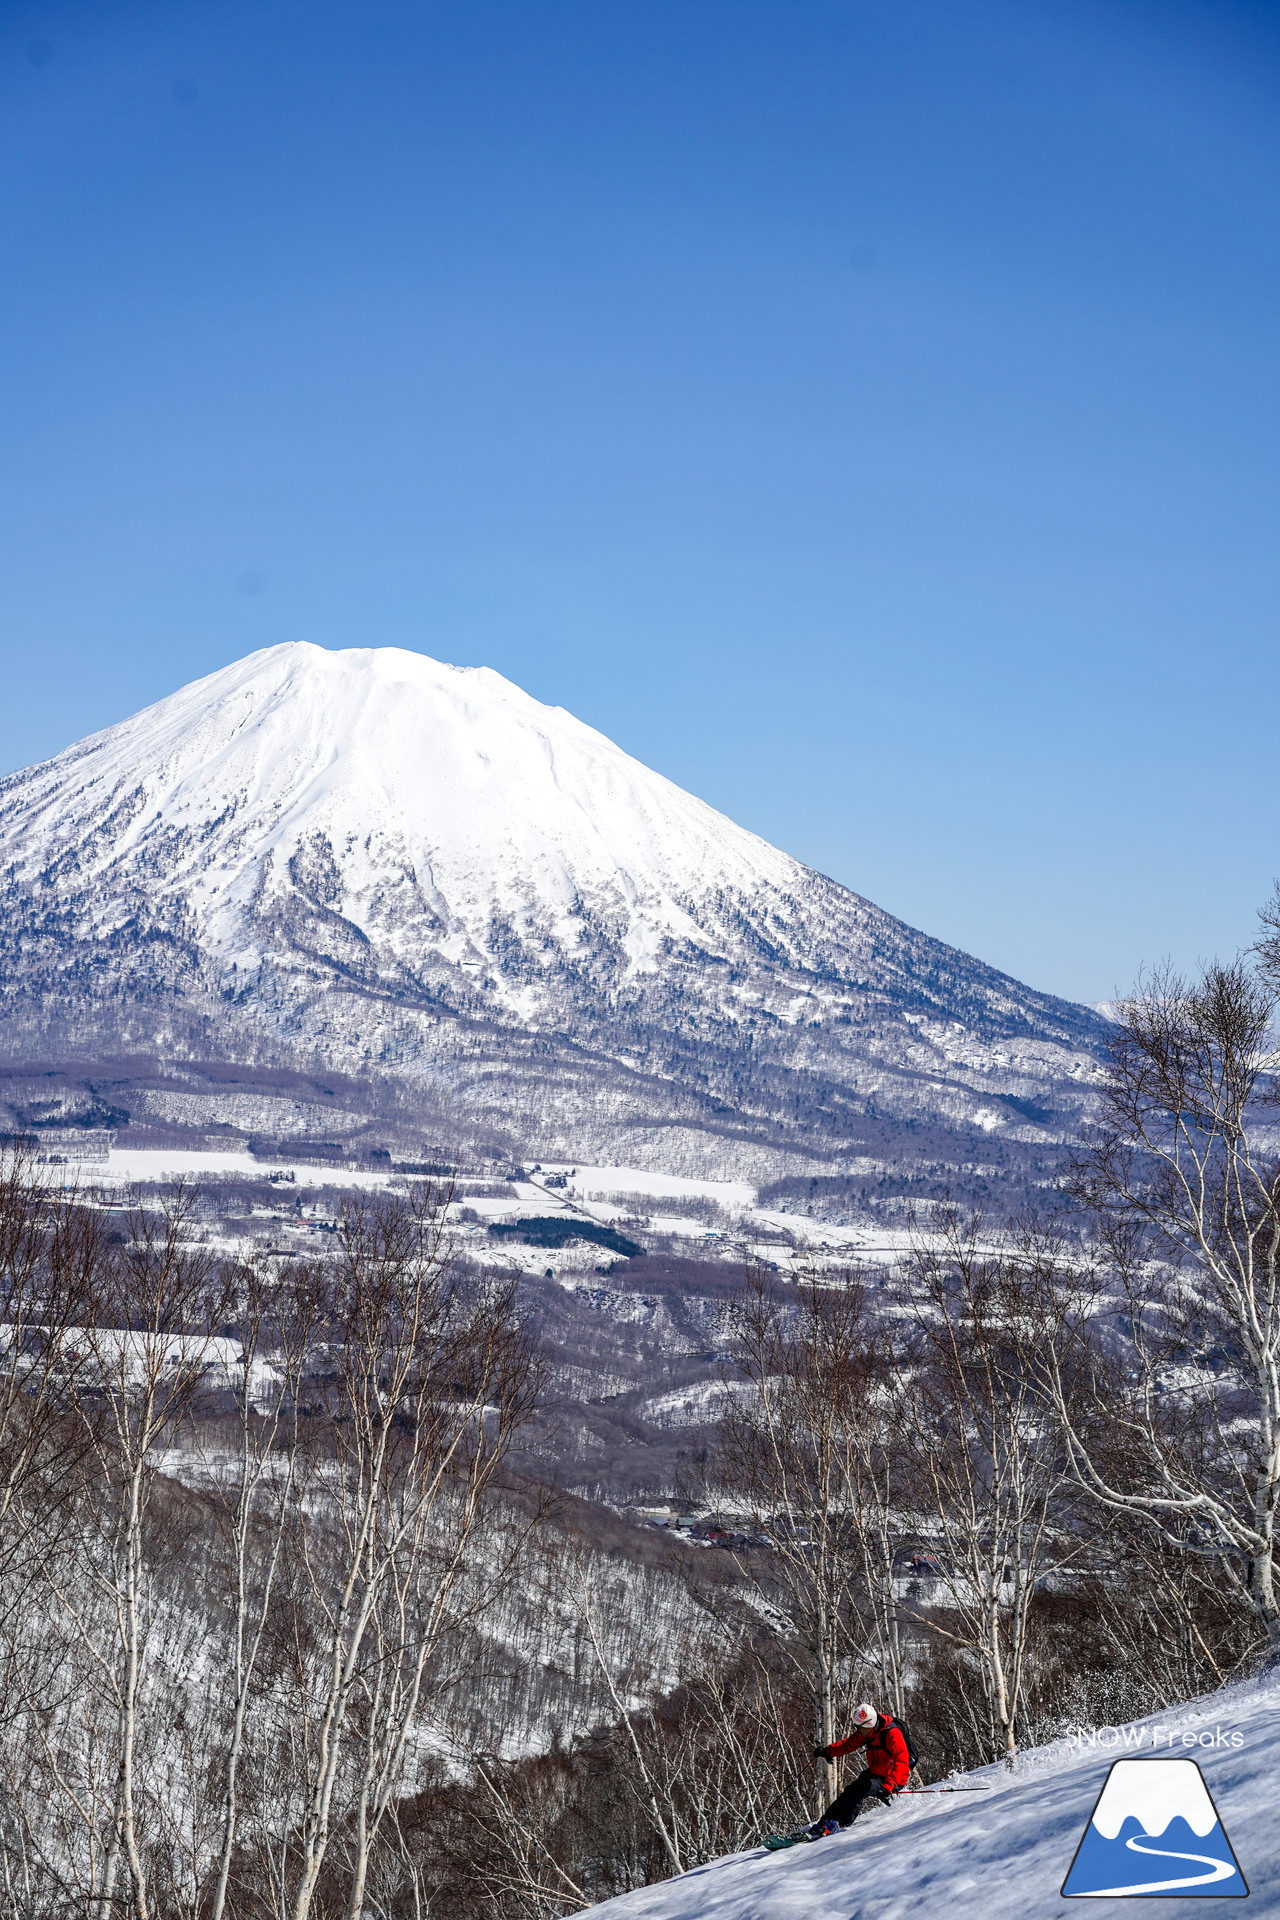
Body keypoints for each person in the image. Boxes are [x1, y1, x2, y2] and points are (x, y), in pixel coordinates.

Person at [807, 1703, 911, 1837]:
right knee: (849, 1791)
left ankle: (840, 1823)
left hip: (892, 1779)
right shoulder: (867, 1731)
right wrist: (827, 1751)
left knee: (860, 1789)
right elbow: (848, 1744)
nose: (857, 1730)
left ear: (869, 1724)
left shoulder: (892, 1733)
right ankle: (825, 1822)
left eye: (859, 1727)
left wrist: (888, 1786)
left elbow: (902, 1762)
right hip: (876, 1773)